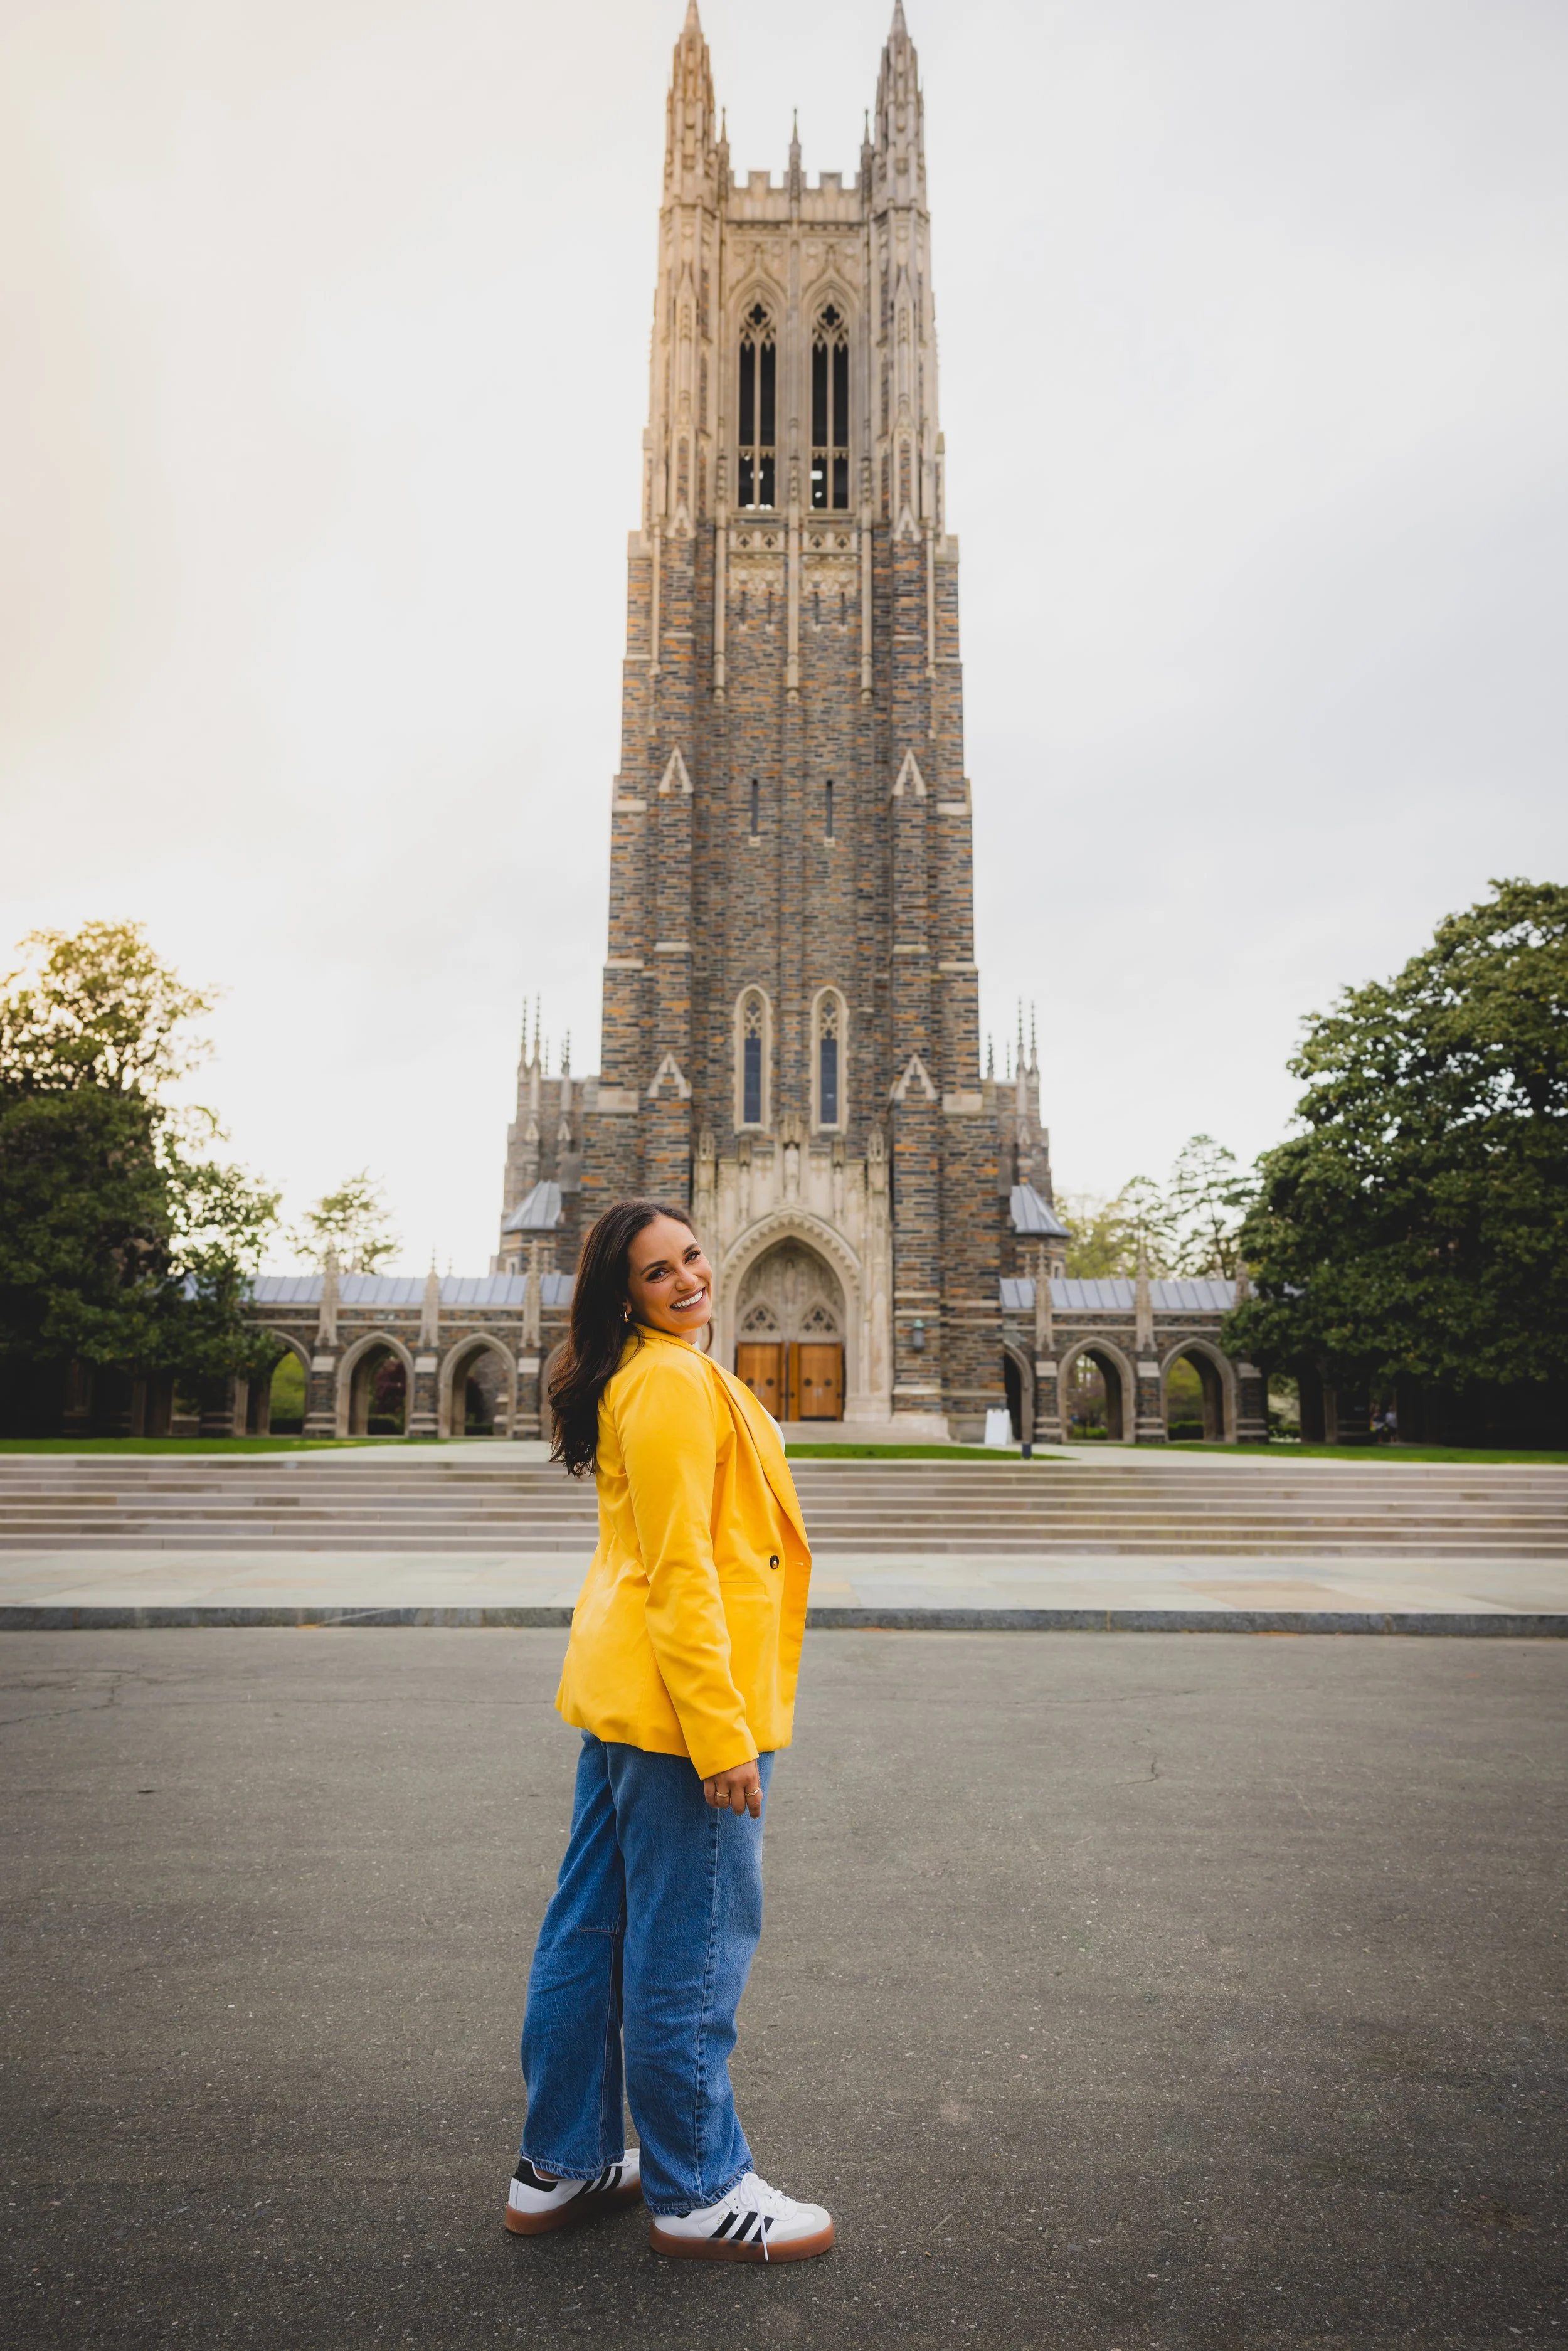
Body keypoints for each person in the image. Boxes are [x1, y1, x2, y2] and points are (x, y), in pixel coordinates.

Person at [502, 1199, 834, 2264]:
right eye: (659, 1272)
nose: (690, 1278)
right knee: (690, 1945)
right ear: (623, 1295)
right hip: (681, 1711)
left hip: (628, 1700)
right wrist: (722, 1735)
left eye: (692, 1256)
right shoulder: (671, 1385)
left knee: (592, 1933)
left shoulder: (656, 1374)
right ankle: (697, 2186)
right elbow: (683, 1573)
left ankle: (566, 2159)